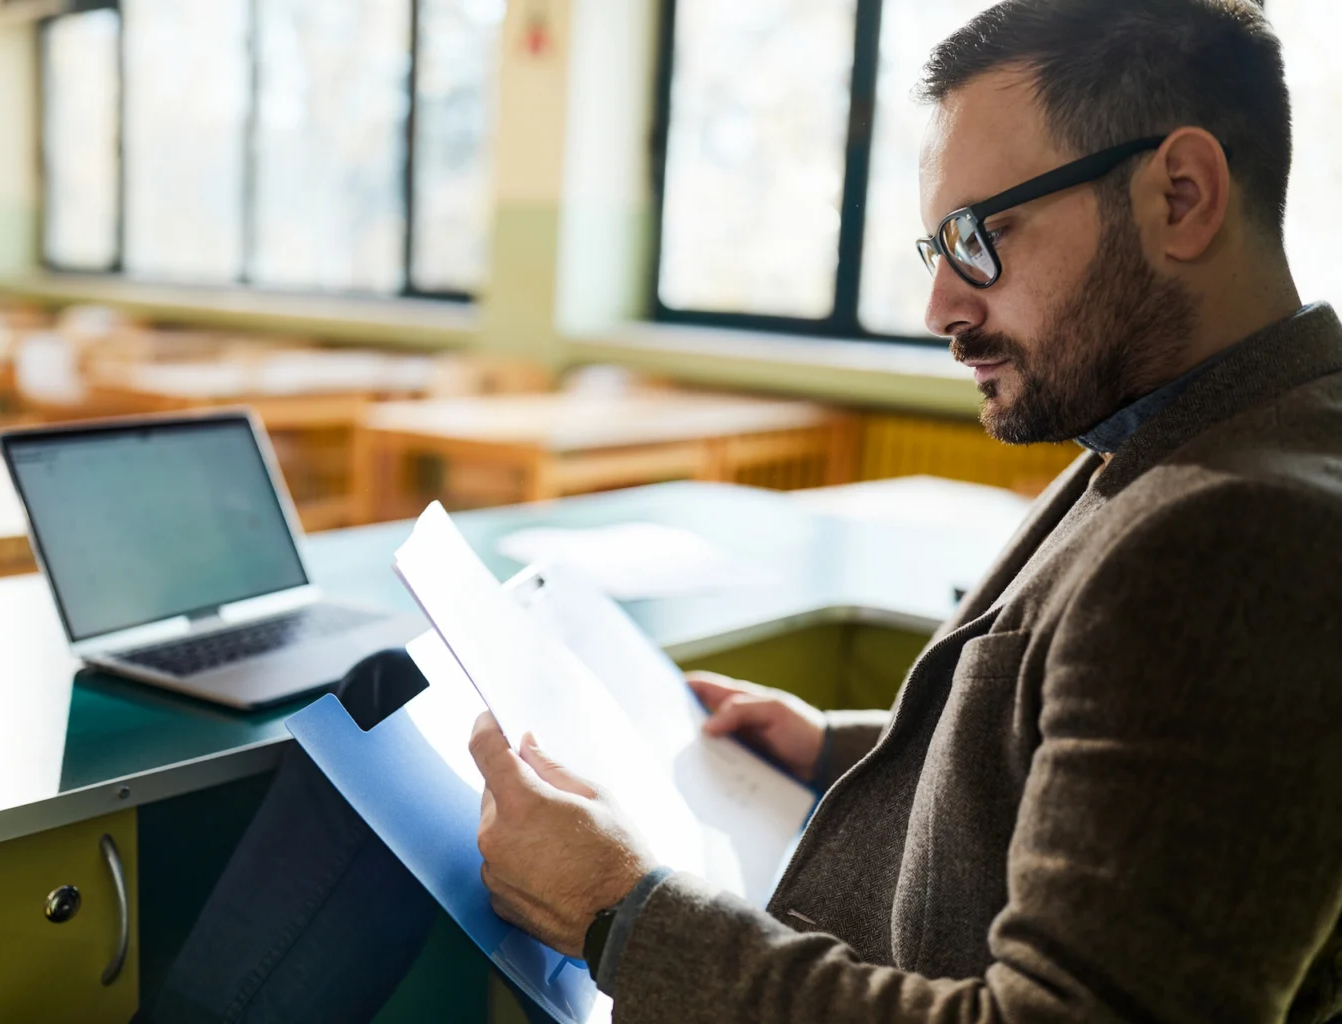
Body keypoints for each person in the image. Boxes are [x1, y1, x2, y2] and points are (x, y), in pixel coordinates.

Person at [145, 1, 1342, 1021]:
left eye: (981, 237)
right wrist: (846, 749)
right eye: (939, 242)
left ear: (1181, 193)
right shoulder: (1198, 432)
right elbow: (1112, 765)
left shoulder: (1236, 537)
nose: (941, 304)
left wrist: (622, 912)